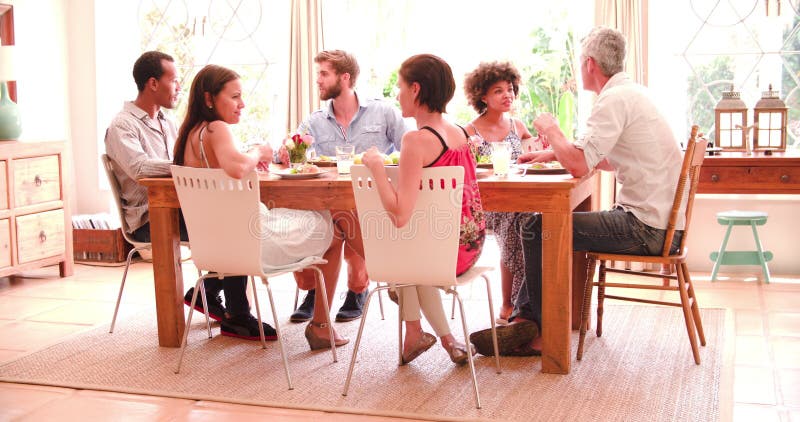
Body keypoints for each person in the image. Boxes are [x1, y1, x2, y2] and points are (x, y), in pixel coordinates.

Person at [469, 26, 685, 357]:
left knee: (538, 227)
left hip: (647, 228)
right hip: (659, 222)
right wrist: (552, 152)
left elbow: (581, 166)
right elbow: (606, 160)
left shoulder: (612, 100)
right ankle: (528, 319)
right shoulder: (630, 94)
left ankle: (538, 331)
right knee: (544, 226)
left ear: (589, 64)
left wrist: (552, 131)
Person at [172, 64, 337, 348]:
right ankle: (322, 325)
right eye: (235, 97)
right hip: (249, 244)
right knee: (333, 226)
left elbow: (227, 172)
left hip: (216, 247)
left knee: (304, 218)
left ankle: (229, 301)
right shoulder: (216, 128)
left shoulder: (191, 134)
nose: (242, 104)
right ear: (209, 99)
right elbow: (236, 168)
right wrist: (259, 151)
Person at [104, 51, 242, 333]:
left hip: (181, 208)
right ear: (153, 83)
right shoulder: (122, 125)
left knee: (234, 218)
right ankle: (229, 307)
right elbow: (139, 168)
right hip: (149, 219)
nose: (179, 86)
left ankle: (211, 296)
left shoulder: (167, 122)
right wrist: (189, 165)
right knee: (231, 225)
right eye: (174, 80)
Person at [361, 53, 485, 365]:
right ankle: (429, 336)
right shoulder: (459, 131)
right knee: (409, 247)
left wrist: (376, 168)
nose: (397, 95)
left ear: (415, 89)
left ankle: (428, 334)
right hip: (471, 244)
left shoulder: (415, 141)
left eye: (400, 87)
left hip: (443, 253)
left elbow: (401, 216)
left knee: (398, 244)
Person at [281, 50, 408, 325]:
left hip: (372, 204)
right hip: (329, 204)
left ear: (345, 77)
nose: (318, 80)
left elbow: (408, 149)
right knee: (327, 221)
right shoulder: (314, 121)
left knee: (345, 220)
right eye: (318, 75)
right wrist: (286, 150)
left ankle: (355, 290)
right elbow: (293, 148)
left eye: (324, 74)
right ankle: (316, 291)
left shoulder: (383, 111)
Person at [463, 61, 543, 323]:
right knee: (519, 222)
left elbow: (533, 156)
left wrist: (542, 144)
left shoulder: (518, 126)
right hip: (486, 204)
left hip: (519, 198)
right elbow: (465, 172)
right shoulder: (469, 131)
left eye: (509, 89)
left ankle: (521, 303)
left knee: (528, 220)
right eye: (498, 91)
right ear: (482, 96)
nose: (507, 94)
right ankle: (512, 303)